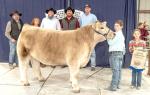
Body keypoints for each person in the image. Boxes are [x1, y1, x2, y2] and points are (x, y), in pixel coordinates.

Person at [107, 20, 125, 91]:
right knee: (119, 70)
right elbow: (123, 46)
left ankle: (113, 86)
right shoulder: (121, 34)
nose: (115, 27)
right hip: (120, 53)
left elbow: (110, 43)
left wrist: (108, 38)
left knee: (115, 71)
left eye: (117, 26)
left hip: (115, 54)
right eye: (115, 25)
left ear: (121, 27)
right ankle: (117, 85)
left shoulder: (117, 34)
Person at [79, 4, 97, 71]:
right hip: (83, 35)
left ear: (90, 9)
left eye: (88, 8)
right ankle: (83, 64)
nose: (87, 9)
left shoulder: (93, 16)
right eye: (86, 8)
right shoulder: (81, 17)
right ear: (84, 9)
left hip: (90, 35)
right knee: (83, 50)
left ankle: (93, 65)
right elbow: (80, 25)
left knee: (92, 50)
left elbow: (96, 25)